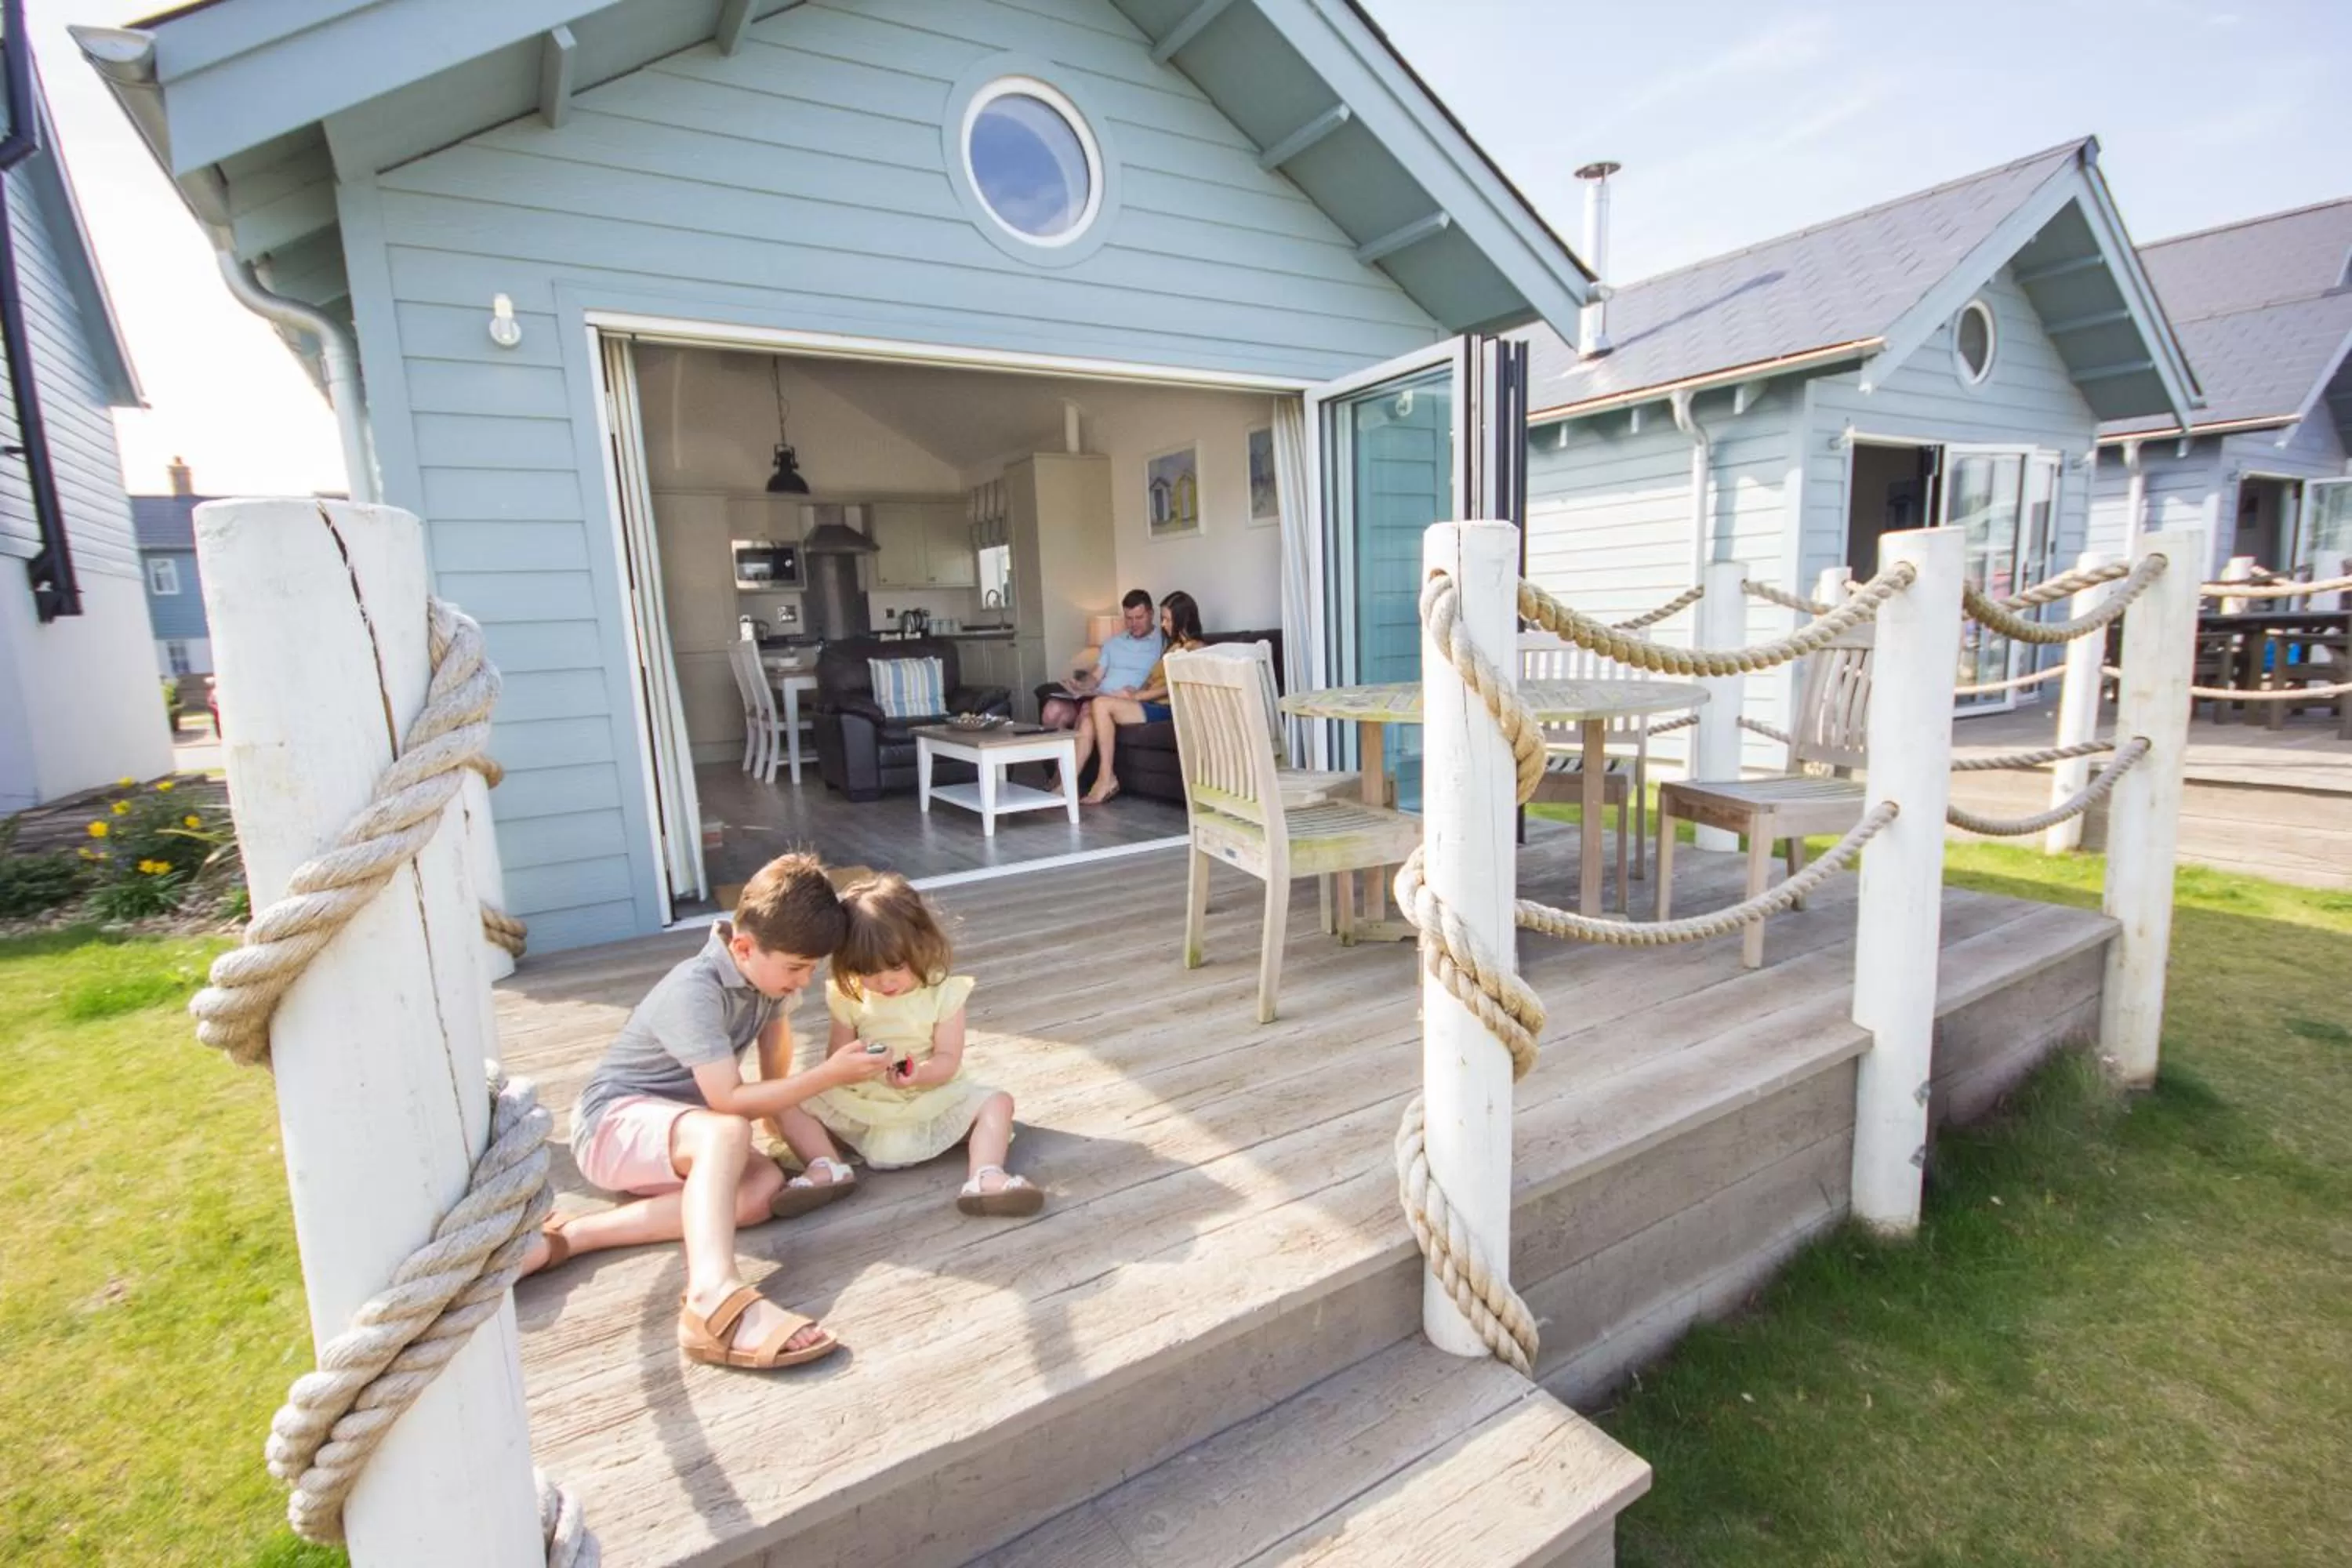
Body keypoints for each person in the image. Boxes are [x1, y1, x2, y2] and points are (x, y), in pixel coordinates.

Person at [520, 852, 884, 1371]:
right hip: (612, 1126)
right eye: (796, 968)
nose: (804, 981)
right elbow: (728, 1101)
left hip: (679, 1131)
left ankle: (573, 1237)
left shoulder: (765, 980)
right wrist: (829, 1074)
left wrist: (796, 1131)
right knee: (727, 1131)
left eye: (811, 969)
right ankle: (711, 1295)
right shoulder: (693, 990)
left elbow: (775, 1070)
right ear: (744, 947)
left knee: (761, 1192)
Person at [775, 873, 1045, 1217]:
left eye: (896, 966)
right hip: (867, 1105)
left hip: (928, 1099)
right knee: (785, 1101)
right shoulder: (849, 996)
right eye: (867, 971)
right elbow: (835, 1060)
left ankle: (986, 1176)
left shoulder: (943, 993)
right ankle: (826, 1167)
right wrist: (855, 1066)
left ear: (920, 943)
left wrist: (917, 1074)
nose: (884, 981)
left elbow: (947, 1059)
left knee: (998, 1103)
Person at [1074, 590, 1205, 805]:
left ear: (1182, 619)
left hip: (1166, 708)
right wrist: (1133, 693)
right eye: (1162, 619)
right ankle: (1067, 784)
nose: (1163, 624)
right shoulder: (1172, 647)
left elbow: (1173, 686)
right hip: (1151, 703)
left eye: (1167, 619)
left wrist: (1138, 696)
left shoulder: (1195, 649)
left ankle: (1106, 778)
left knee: (1101, 704)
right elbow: (1154, 678)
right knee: (1091, 716)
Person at [1040, 587, 1163, 737]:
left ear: (1151, 614)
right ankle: (1060, 753)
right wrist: (1081, 685)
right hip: (1098, 695)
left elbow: (1160, 681)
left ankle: (1075, 751)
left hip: (1122, 702)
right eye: (1129, 618)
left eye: (1139, 617)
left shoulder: (1162, 643)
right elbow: (1096, 676)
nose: (1134, 623)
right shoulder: (1113, 643)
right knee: (1051, 710)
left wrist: (1138, 692)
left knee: (1088, 711)